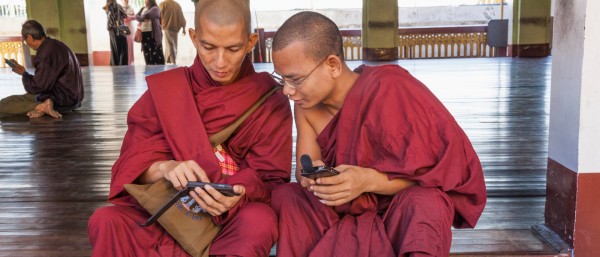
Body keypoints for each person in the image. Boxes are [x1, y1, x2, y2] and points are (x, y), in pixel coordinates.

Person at [270, 11, 487, 257]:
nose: (287, 90)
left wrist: (367, 180)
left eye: (295, 79)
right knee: (288, 196)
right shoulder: (305, 107)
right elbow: (304, 169)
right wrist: (315, 179)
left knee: (428, 203)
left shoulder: (391, 88)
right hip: (339, 212)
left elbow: (443, 177)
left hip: (396, 214)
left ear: (332, 65)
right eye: (281, 79)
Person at [87, 0, 292, 256]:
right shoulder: (168, 90)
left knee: (260, 220)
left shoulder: (268, 99)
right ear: (194, 38)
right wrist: (165, 167)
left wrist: (236, 192)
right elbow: (131, 164)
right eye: (208, 47)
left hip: (229, 217)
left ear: (250, 43)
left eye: (233, 49)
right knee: (107, 220)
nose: (220, 61)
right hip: (168, 209)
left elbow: (272, 179)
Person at [0, 20, 84, 119]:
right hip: (71, 97)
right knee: (7, 103)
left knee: (3, 106)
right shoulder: (55, 45)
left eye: (25, 40)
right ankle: (43, 106)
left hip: (61, 100)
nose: (26, 43)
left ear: (30, 37)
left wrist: (24, 74)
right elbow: (44, 82)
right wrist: (23, 72)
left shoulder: (46, 53)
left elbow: (38, 87)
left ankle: (41, 106)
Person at [135, 0, 165, 65]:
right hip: (144, 33)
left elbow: (147, 15)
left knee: (155, 53)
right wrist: (143, 18)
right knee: (147, 52)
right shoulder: (143, 8)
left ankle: (158, 71)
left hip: (152, 34)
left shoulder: (155, 8)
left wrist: (142, 17)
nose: (145, 0)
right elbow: (136, 16)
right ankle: (149, 68)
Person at [159, 0, 186, 64]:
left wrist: (159, 26)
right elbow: (181, 16)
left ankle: (171, 61)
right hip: (175, 28)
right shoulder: (177, 5)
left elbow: (159, 16)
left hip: (167, 27)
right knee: (174, 45)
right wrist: (183, 28)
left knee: (169, 44)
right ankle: (171, 60)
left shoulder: (162, 4)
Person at [103, 0, 128, 66]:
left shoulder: (107, 7)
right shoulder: (117, 5)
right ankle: (122, 65)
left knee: (114, 49)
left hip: (111, 29)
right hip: (120, 28)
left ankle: (115, 65)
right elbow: (125, 15)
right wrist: (119, 17)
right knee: (122, 48)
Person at [121, 0, 136, 65]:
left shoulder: (131, 8)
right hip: (123, 27)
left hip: (130, 28)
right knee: (124, 44)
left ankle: (130, 61)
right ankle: (125, 61)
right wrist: (129, 17)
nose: (126, 0)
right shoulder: (120, 8)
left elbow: (135, 17)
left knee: (130, 44)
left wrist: (129, 17)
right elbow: (121, 18)